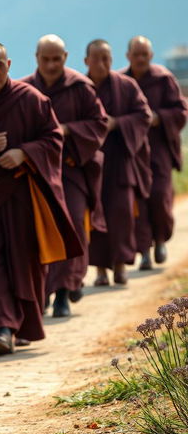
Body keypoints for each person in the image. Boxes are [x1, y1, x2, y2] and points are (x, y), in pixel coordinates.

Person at [0, 41, 82, 354]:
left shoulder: (31, 100)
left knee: (24, 262)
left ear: (9, 64)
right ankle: (2, 327)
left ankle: (23, 325)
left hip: (24, 195)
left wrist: (24, 153)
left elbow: (53, 138)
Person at [22, 35, 108, 317]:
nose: (50, 64)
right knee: (38, 232)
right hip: (37, 174)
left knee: (71, 227)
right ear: (36, 58)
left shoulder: (81, 88)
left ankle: (63, 293)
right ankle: (44, 291)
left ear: (66, 57)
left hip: (71, 170)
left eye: (56, 58)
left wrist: (69, 130)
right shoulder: (25, 90)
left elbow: (99, 124)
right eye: (45, 59)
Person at [85, 39, 152, 286]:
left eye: (106, 59)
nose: (102, 64)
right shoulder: (81, 88)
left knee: (122, 213)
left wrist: (117, 124)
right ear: (86, 61)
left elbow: (143, 115)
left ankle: (121, 264)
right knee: (95, 215)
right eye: (97, 58)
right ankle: (101, 269)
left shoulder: (126, 85)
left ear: (112, 60)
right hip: (90, 162)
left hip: (121, 159)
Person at [120, 36, 188, 269]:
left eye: (144, 54)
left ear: (151, 56)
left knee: (159, 196)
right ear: (128, 56)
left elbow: (180, 111)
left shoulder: (163, 79)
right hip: (132, 152)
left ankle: (160, 240)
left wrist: (159, 118)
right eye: (136, 54)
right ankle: (145, 251)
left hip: (158, 150)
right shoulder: (121, 82)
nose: (140, 59)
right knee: (137, 203)